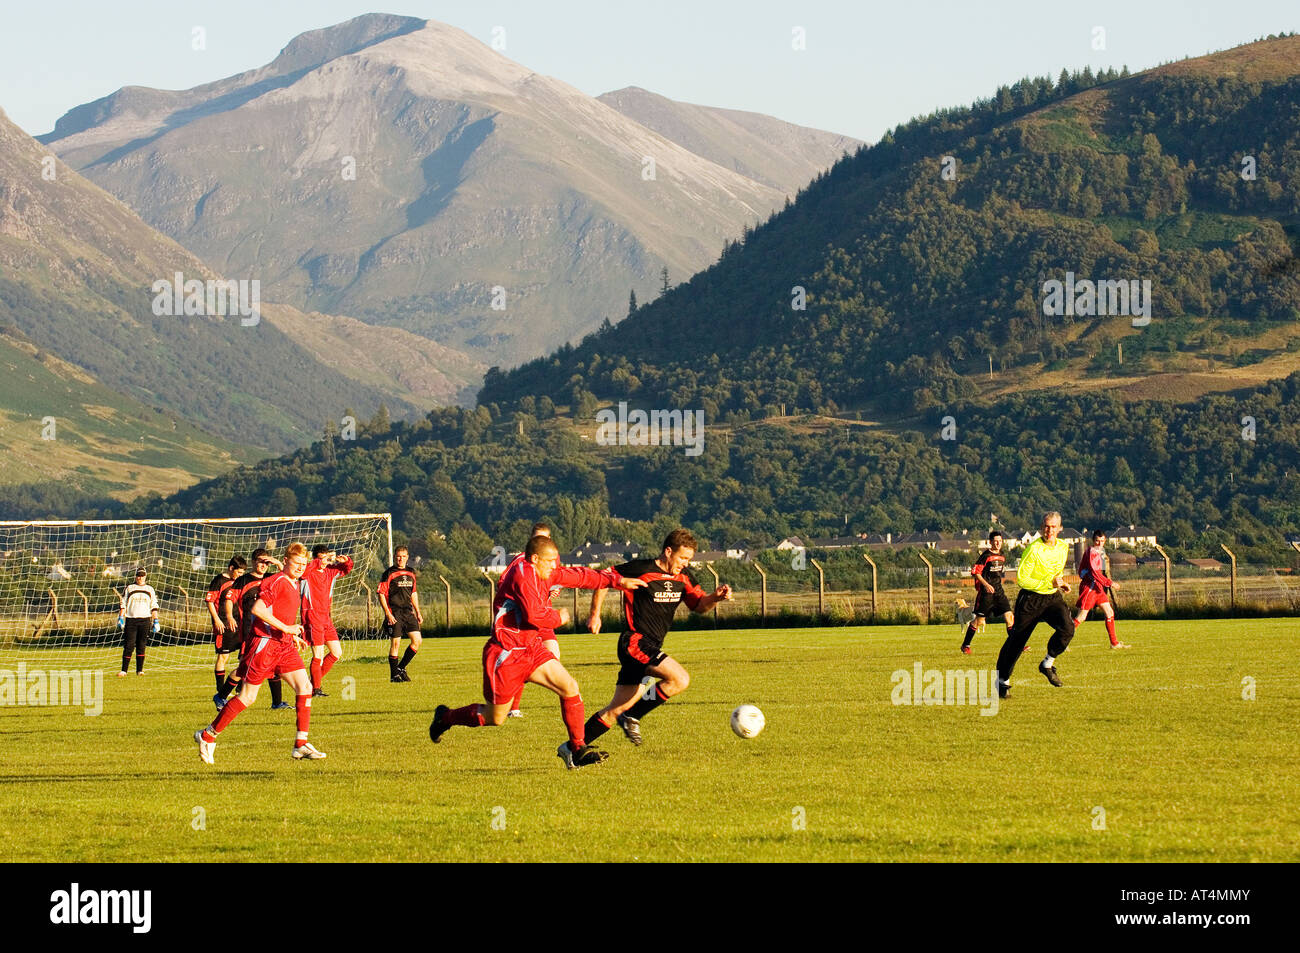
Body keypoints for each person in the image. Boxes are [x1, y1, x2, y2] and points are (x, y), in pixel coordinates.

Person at [427, 534, 646, 769]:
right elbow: (534, 615)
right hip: (506, 653)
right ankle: (446, 717)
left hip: (530, 648)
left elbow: (579, 575)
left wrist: (616, 581)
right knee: (495, 718)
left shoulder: (545, 571)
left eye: (556, 560)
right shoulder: (523, 575)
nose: (555, 566)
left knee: (569, 687)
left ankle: (577, 748)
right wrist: (558, 617)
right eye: (550, 561)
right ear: (534, 559)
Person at [582, 529, 733, 748]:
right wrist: (595, 615)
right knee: (679, 679)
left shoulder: (684, 577)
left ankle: (574, 747)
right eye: (682, 557)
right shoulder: (641, 569)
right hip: (635, 642)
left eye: (689, 559)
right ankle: (632, 717)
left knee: (616, 709)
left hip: (649, 646)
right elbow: (604, 579)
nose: (685, 563)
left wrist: (715, 598)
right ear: (668, 551)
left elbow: (699, 606)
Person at [195, 543, 325, 763]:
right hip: (265, 644)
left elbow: (277, 614)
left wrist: (291, 635)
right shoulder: (277, 581)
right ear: (285, 561)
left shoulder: (293, 583)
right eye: (297, 563)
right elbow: (258, 610)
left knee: (305, 687)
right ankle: (208, 735)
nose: (301, 568)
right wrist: (287, 628)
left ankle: (301, 744)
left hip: (282, 644)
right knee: (247, 697)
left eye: (304, 564)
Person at [994, 512, 1075, 697]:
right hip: (1030, 600)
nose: (1050, 530)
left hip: (1052, 598)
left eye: (1054, 527)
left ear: (1060, 528)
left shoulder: (1063, 547)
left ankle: (1047, 664)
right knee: (1017, 641)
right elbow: (1022, 579)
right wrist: (1050, 583)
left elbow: (1055, 573)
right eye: (1046, 526)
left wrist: (1060, 583)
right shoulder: (1033, 549)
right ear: (1041, 528)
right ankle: (1002, 681)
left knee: (1068, 628)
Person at [215, 549, 290, 711]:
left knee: (274, 665)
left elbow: (288, 575)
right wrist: (229, 616)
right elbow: (229, 599)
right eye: (260, 561)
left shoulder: (272, 578)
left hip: (270, 629)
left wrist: (276, 563)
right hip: (251, 631)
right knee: (244, 667)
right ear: (253, 562)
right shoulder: (243, 580)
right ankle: (221, 696)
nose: (263, 565)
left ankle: (277, 703)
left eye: (266, 562)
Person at [508, 521, 559, 717]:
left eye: (546, 538)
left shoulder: (552, 558)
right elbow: (505, 583)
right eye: (538, 537)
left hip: (543, 618)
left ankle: (516, 682)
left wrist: (553, 590)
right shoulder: (520, 562)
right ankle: (513, 707)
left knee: (553, 657)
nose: (542, 540)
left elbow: (554, 580)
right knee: (536, 665)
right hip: (527, 621)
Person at [301, 544, 353, 696]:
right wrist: (318, 562)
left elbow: (346, 569)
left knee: (337, 652)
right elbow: (304, 571)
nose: (325, 561)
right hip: (312, 617)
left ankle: (311, 685)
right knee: (318, 654)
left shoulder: (330, 572)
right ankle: (316, 689)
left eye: (326, 557)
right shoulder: (307, 572)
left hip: (326, 619)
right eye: (321, 558)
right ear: (315, 558)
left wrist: (346, 561)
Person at [961, 531, 1014, 654]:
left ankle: (1016, 645)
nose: (998, 543)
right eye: (995, 541)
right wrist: (986, 585)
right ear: (990, 542)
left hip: (999, 591)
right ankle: (965, 645)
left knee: (1009, 617)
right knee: (979, 621)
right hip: (986, 593)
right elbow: (976, 573)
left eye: (1000, 541)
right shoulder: (985, 556)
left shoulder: (1002, 555)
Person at [1074, 530, 1128, 648]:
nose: (1099, 543)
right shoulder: (1091, 552)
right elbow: (1094, 573)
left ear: (1105, 541)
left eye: (1102, 541)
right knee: (1081, 617)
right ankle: (1061, 640)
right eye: (1097, 541)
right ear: (1093, 541)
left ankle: (1114, 643)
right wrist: (1110, 583)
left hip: (1097, 588)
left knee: (1109, 612)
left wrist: (1104, 583)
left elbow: (1099, 573)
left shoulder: (1101, 552)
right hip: (1089, 588)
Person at [378, 546, 422, 682]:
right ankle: (393, 676)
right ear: (394, 557)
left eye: (403, 556)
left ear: (407, 557)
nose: (400, 558)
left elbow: (413, 593)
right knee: (395, 644)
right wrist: (387, 614)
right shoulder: (388, 573)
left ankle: (401, 668)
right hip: (394, 612)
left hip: (408, 612)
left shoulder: (411, 572)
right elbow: (381, 594)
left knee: (417, 641)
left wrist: (418, 612)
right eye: (398, 556)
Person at [206, 556, 247, 695]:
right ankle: (221, 690)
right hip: (223, 624)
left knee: (244, 656)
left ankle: (240, 688)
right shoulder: (219, 581)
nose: (240, 576)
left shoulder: (239, 582)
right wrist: (216, 620)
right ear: (231, 569)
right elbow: (210, 601)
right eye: (239, 572)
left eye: (242, 573)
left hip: (239, 623)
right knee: (223, 657)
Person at [118, 568, 158, 677]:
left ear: (145, 576)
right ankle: (124, 670)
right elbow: (123, 603)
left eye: (142, 575)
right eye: (138, 575)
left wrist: (156, 620)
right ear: (135, 576)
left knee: (141, 645)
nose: (140, 578)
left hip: (145, 620)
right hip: (131, 619)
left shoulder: (150, 589)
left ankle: (139, 670)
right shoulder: (130, 588)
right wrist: (121, 617)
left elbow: (153, 606)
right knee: (129, 645)